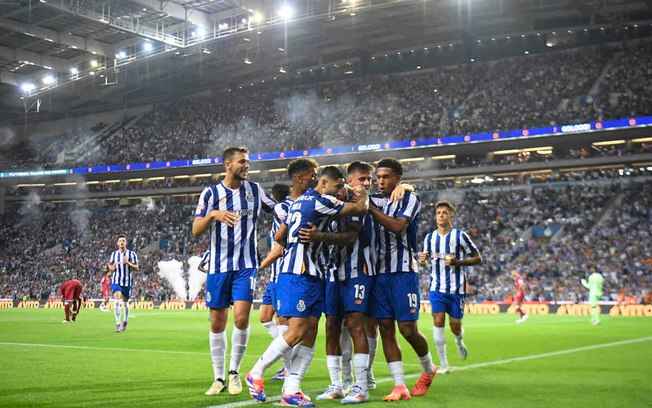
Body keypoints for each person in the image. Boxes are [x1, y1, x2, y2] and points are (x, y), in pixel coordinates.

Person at [245, 166, 369, 407]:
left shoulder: (299, 203)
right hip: (298, 273)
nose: (340, 190)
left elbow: (280, 236)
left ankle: (291, 390)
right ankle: (256, 372)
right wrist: (361, 192)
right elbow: (360, 209)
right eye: (337, 186)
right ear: (323, 184)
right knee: (298, 330)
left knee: (311, 331)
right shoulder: (318, 200)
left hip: (313, 274)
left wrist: (298, 239)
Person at [193, 146, 276, 397]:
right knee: (218, 323)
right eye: (242, 162)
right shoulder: (210, 194)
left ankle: (234, 372)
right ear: (227, 165)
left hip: (245, 265)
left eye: (248, 162)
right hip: (219, 267)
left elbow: (279, 209)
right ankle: (218, 377)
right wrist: (214, 215)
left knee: (241, 318)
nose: (246, 165)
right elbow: (196, 229)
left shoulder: (254, 190)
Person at [368, 158, 435, 401]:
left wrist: (370, 208)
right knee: (385, 328)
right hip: (378, 274)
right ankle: (399, 386)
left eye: (385, 177)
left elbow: (397, 226)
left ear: (398, 178)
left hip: (403, 272)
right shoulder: (373, 198)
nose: (380, 181)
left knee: (407, 330)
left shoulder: (409, 198)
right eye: (378, 178)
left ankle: (428, 370)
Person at [419, 200, 482, 374]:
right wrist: (422, 261)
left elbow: (478, 258)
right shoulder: (429, 238)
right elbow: (427, 265)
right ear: (435, 216)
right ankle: (443, 363)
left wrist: (457, 262)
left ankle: (459, 341)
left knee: (455, 327)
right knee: (438, 320)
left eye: (445, 212)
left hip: (457, 289)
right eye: (438, 212)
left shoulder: (460, 236)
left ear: (451, 215)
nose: (441, 215)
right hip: (436, 288)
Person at [260, 182, 291, 381]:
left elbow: (278, 250)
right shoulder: (276, 218)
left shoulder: (283, 211)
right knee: (264, 317)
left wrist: (258, 267)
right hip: (273, 278)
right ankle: (287, 352)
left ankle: (287, 366)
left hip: (282, 276)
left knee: (282, 322)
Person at [107, 235, 139, 332]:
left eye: (123, 241)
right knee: (116, 300)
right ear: (117, 243)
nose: (121, 242)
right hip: (116, 281)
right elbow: (109, 264)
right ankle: (118, 323)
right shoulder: (114, 254)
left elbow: (136, 268)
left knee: (125, 303)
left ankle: (125, 320)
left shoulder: (132, 254)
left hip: (127, 282)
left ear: (126, 243)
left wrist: (128, 263)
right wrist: (112, 268)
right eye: (120, 241)